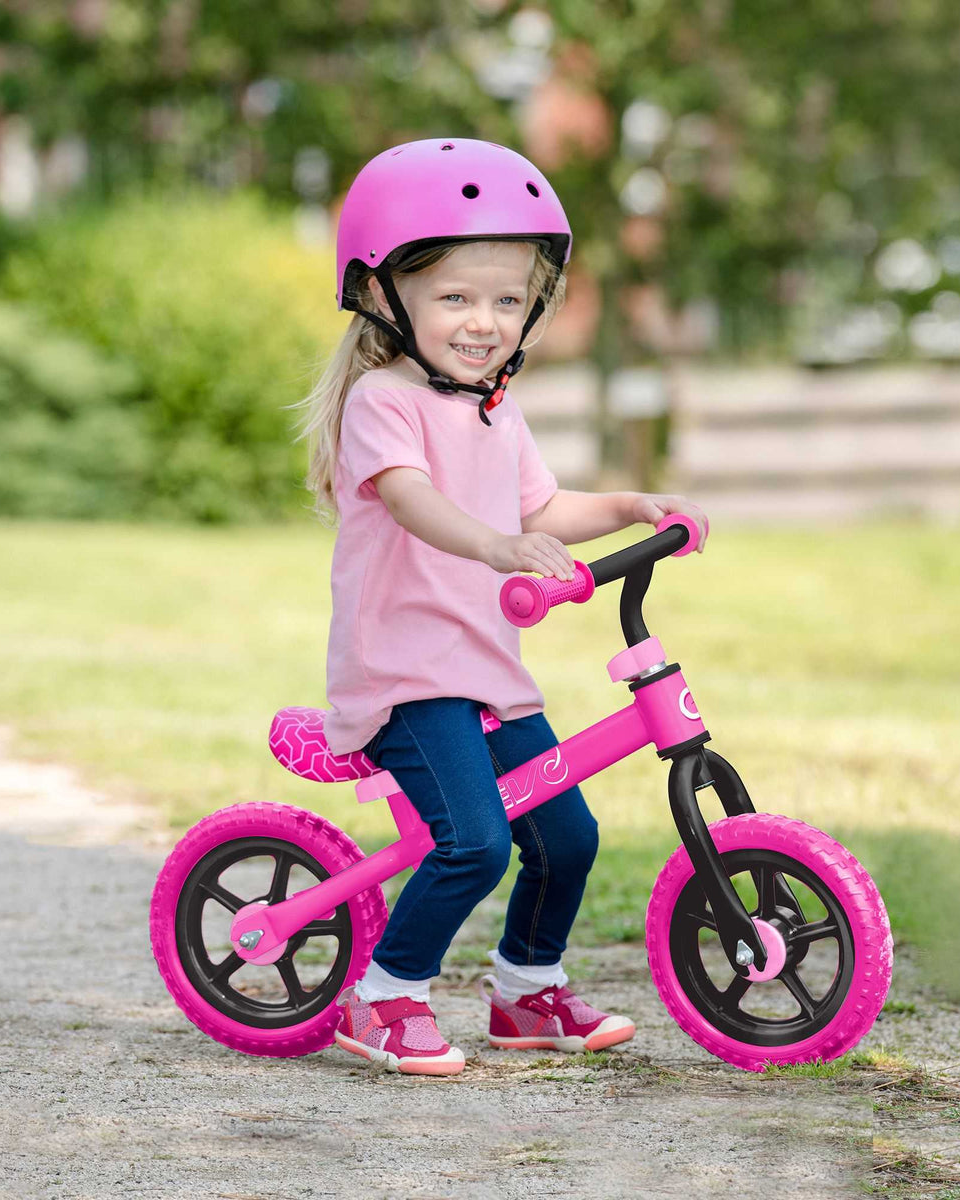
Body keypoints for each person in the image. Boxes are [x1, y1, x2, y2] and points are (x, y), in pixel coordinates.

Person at [296, 137, 708, 1076]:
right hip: (405, 676)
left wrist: (633, 508)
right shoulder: (384, 404)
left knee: (568, 834)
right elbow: (415, 500)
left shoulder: (494, 406)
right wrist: (496, 548)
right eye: (455, 297)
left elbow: (540, 509)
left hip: (485, 669)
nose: (484, 322)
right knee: (473, 843)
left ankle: (528, 993)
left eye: (507, 299)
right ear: (385, 295)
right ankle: (384, 997)